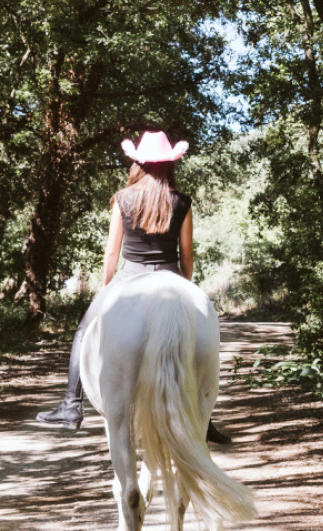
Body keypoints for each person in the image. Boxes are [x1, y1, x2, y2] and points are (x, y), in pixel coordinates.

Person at [36, 130, 231, 443]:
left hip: (130, 275)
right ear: (169, 165)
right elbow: (187, 255)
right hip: (170, 274)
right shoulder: (182, 202)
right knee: (203, 330)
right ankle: (204, 418)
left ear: (138, 163)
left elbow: (112, 252)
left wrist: (106, 287)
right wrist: (186, 286)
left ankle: (71, 405)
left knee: (85, 329)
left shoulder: (122, 199)